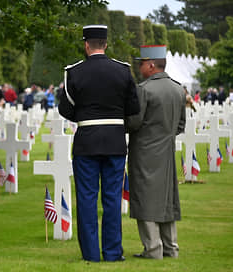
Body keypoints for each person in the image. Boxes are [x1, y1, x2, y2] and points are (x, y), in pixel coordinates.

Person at [58, 25, 139, 262]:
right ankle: (113, 253)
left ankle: (91, 254)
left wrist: (86, 118)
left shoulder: (74, 72)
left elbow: (65, 108)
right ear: (105, 44)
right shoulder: (123, 71)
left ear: (86, 44)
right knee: (112, 198)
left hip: (87, 142)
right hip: (114, 140)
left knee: (86, 198)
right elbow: (133, 108)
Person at [126, 45, 185, 260]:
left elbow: (133, 123)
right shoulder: (178, 89)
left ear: (151, 65)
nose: (139, 68)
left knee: (145, 198)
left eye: (141, 63)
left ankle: (153, 249)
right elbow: (180, 125)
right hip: (167, 152)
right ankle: (171, 247)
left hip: (144, 152)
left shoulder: (144, 89)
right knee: (167, 199)